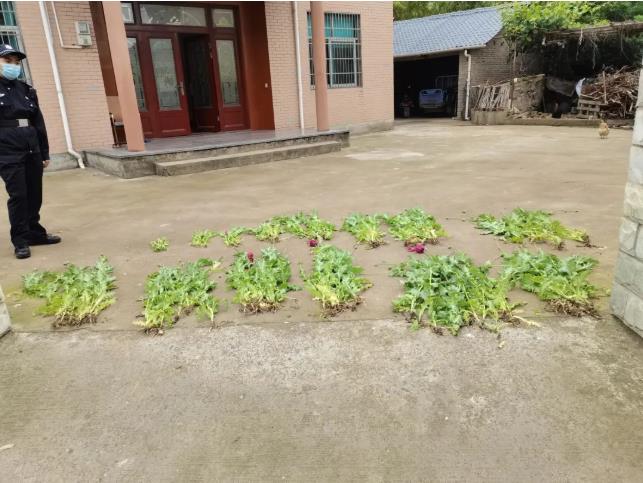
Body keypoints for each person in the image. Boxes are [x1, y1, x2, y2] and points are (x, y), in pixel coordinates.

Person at [0, 44, 60, 259]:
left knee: (35, 193)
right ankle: (21, 239)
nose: (13, 66)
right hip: (7, 151)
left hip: (31, 147)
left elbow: (38, 122)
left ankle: (35, 232)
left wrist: (44, 152)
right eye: (8, 62)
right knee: (19, 195)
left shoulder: (26, 89)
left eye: (16, 63)